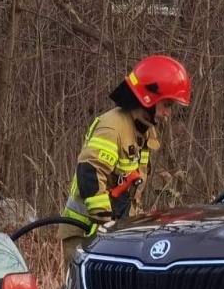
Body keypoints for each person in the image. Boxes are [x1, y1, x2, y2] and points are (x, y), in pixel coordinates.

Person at [61, 54, 192, 262]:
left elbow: (131, 184)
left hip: (113, 233)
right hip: (85, 233)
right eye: (166, 105)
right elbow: (90, 174)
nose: (167, 113)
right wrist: (106, 224)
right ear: (149, 98)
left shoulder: (144, 130)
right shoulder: (112, 127)